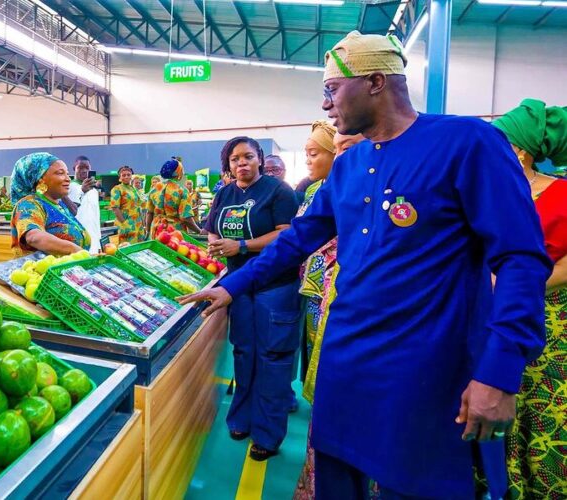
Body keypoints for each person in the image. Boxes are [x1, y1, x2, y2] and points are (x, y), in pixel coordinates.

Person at [179, 32, 551, 498]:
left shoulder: (467, 143)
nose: (326, 103)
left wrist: (499, 371)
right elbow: (298, 239)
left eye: (332, 89)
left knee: (417, 482)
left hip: (426, 370)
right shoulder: (351, 168)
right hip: (345, 361)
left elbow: (520, 259)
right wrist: (233, 287)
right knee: (338, 476)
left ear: (376, 81)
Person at [205, 136, 299, 461]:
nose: (241, 163)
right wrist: (216, 242)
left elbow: (286, 234)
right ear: (228, 164)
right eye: (235, 159)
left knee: (272, 359)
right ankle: (241, 420)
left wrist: (242, 246)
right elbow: (212, 228)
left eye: (247, 157)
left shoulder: (279, 191)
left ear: (259, 159)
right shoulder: (225, 193)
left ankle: (268, 434)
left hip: (275, 286)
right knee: (244, 353)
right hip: (239, 286)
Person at [492, 99, 567, 500]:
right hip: (493, 318)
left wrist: (517, 287)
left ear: (520, 151)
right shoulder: (487, 196)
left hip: (550, 325)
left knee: (542, 415)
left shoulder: (562, 195)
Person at [293, 128, 366, 500]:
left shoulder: (368, 192)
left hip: (351, 305)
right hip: (318, 297)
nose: (312, 159)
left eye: (346, 148)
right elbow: (297, 239)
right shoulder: (315, 192)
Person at [297, 120, 338, 396]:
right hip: (311, 285)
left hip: (333, 286)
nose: (308, 161)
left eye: (315, 154)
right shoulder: (313, 190)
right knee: (312, 342)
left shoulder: (349, 190)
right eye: (306, 154)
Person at [10, 153, 90, 256]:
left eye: (67, 173)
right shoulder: (28, 205)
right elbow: (33, 237)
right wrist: (74, 250)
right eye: (60, 173)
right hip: (39, 270)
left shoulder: (59, 205)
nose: (68, 178)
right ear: (40, 179)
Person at [145, 158, 201, 238]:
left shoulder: (154, 189)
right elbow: (186, 218)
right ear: (177, 172)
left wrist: (147, 231)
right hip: (174, 234)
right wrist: (199, 231)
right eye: (181, 170)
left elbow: (149, 213)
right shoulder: (181, 190)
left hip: (157, 231)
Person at [65, 155, 101, 253]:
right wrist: (82, 190)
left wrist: (99, 238)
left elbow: (96, 216)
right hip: (78, 237)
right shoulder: (69, 187)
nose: (84, 171)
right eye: (80, 167)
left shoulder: (94, 191)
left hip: (94, 237)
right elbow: (70, 212)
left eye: (87, 168)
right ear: (74, 169)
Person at [110, 166, 144, 244]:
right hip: (126, 222)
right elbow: (115, 208)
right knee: (127, 247)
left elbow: (137, 205)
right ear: (120, 177)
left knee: (139, 247)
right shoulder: (117, 189)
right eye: (124, 175)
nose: (126, 177)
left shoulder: (133, 188)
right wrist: (124, 223)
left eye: (128, 174)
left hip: (137, 223)